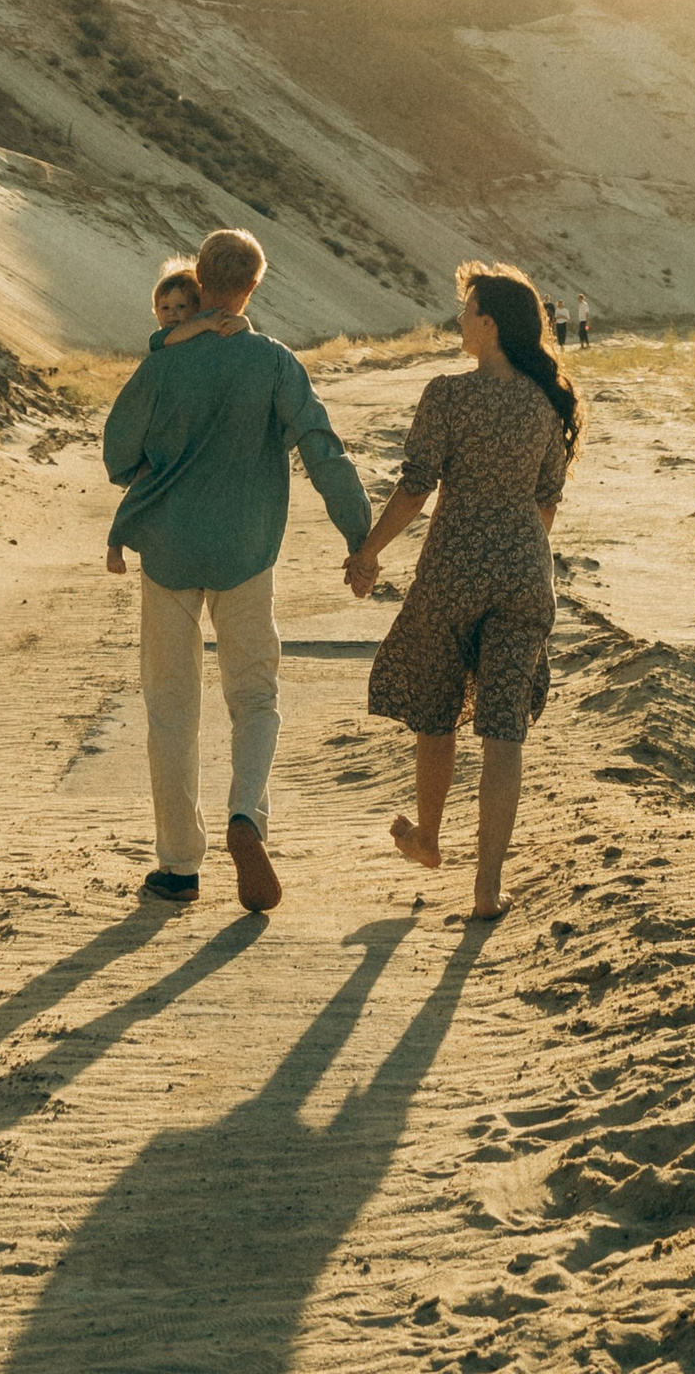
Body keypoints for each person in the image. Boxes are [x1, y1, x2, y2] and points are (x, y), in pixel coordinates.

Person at [100, 225, 372, 915]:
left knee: (171, 707)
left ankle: (179, 867)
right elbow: (322, 448)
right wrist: (360, 536)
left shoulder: (160, 365)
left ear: (197, 278)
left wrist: (157, 469)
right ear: (253, 287)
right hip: (248, 552)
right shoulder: (276, 363)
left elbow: (116, 457)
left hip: (169, 553)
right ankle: (247, 814)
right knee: (254, 696)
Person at [345, 264, 579, 922]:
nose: (458, 320)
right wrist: (515, 553)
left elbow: (417, 488)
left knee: (437, 712)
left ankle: (428, 838)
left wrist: (368, 551)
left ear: (490, 324)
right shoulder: (547, 401)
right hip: (525, 576)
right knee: (504, 734)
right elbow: (546, 504)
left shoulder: (447, 395)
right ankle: (486, 888)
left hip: (452, 574)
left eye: (466, 310)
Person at [106, 266, 211, 574]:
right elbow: (173, 337)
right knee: (142, 485)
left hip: (186, 428)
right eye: (165, 308)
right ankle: (115, 544)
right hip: (162, 431)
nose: (173, 314)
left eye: (181, 307)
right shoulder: (163, 340)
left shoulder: (197, 336)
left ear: (197, 307)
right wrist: (208, 323)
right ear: (155, 312)